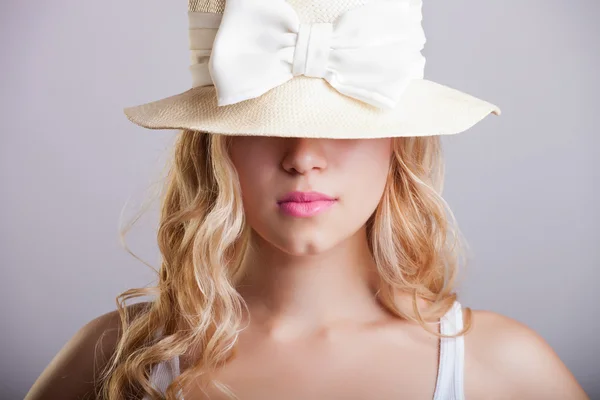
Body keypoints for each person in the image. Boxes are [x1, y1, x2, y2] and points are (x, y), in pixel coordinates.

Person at [26, 0, 589, 399]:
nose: (302, 156)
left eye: (342, 124)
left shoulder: (504, 369)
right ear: (213, 145)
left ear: (400, 142)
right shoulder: (117, 359)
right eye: (262, 122)